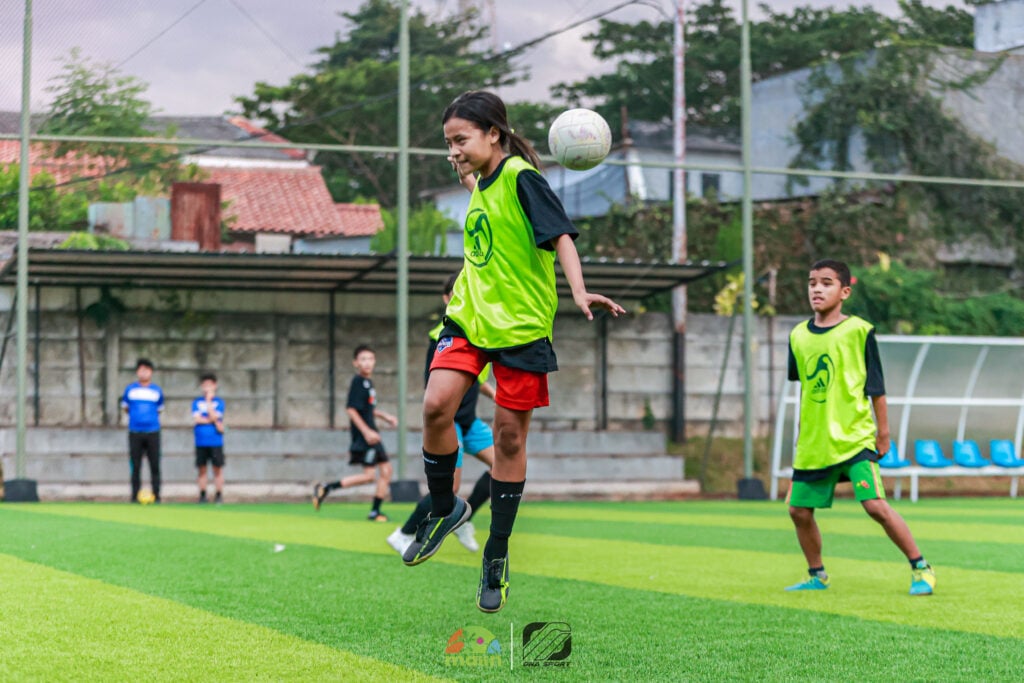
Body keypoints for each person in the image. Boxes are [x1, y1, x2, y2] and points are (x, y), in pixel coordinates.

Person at [401, 90, 624, 613]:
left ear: (493, 135)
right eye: (447, 142)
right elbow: (477, 185)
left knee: (507, 436)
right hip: (469, 316)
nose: (453, 150)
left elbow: (561, 236)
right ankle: (443, 508)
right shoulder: (479, 180)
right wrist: (467, 170)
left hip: (522, 327)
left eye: (460, 140)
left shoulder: (524, 178)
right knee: (436, 406)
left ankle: (496, 554)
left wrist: (577, 289)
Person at [785, 259, 935, 596]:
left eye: (826, 283)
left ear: (844, 291)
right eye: (812, 283)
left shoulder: (859, 331)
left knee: (874, 506)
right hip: (814, 441)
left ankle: (921, 568)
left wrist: (883, 433)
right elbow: (807, 389)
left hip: (854, 437)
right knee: (797, 510)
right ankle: (817, 575)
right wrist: (802, 433)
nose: (816, 289)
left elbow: (876, 388)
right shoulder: (797, 336)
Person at [387, 272, 497, 556]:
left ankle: (463, 521)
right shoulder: (442, 335)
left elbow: (478, 376)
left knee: (505, 469)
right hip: (452, 424)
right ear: (447, 299)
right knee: (450, 489)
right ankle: (403, 533)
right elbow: (434, 385)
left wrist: (495, 394)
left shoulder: (479, 329)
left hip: (470, 421)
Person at [313, 345, 398, 521]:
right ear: (355, 363)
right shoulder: (358, 382)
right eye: (363, 359)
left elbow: (366, 409)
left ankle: (374, 511)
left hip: (373, 434)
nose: (367, 363)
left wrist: (384, 416)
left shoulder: (369, 383)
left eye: (370, 359)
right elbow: (351, 409)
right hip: (367, 436)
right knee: (370, 476)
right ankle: (327, 487)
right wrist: (367, 431)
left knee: (386, 471)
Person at [122, 358, 164, 503]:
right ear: (137, 372)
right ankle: (134, 495)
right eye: (141, 370)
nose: (143, 372)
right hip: (135, 432)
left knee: (155, 464)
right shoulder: (130, 390)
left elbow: (159, 410)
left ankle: (157, 495)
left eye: (146, 370)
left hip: (153, 432)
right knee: (135, 465)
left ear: (151, 372)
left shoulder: (156, 391)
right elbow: (126, 408)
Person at [193, 372, 226, 504]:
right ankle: (202, 494)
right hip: (200, 440)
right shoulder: (196, 402)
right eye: (205, 385)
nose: (207, 388)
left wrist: (208, 402)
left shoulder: (219, 403)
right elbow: (197, 419)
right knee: (202, 469)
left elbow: (214, 416)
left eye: (210, 385)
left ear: (215, 386)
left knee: (217, 468)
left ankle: (218, 494)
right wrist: (211, 420)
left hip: (215, 441)